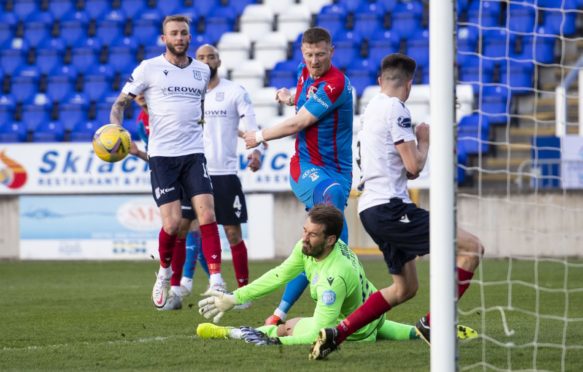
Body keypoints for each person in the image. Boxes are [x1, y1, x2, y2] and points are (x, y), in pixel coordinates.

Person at [309, 53, 485, 359]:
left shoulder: (372, 108)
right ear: (410, 84)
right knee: (471, 249)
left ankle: (337, 333)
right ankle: (434, 324)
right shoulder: (396, 109)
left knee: (404, 289)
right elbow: (413, 167)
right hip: (390, 208)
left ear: (380, 81)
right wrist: (425, 140)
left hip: (371, 209)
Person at [109, 15, 225, 310]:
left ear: (189, 37)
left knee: (207, 215)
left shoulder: (201, 71)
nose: (179, 37)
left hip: (194, 153)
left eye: (183, 33)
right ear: (165, 39)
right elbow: (120, 103)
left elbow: (198, 109)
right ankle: (164, 273)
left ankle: (216, 280)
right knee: (172, 224)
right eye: (173, 33)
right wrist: (116, 128)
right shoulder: (149, 68)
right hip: (162, 157)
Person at [243, 27, 354, 325]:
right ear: (302, 53)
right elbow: (305, 102)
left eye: (320, 54)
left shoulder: (335, 83)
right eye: (309, 55)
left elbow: (299, 122)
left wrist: (259, 135)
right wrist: (290, 97)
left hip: (340, 169)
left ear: (332, 50)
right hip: (306, 165)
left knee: (320, 241)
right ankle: (340, 288)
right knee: (333, 201)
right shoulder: (305, 73)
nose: (314, 60)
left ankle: (280, 313)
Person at [196, 205, 419, 346]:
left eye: (312, 234)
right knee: (396, 330)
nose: (304, 238)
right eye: (305, 231)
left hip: (356, 328)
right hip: (375, 316)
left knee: (288, 326)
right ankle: (426, 332)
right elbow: (279, 275)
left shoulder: (334, 278)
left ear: (330, 239)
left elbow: (319, 334)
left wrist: (277, 340)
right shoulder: (311, 247)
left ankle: (231, 333)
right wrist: (235, 298)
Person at [179, 44, 263, 296]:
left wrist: (255, 151)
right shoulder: (188, 94)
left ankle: (244, 291)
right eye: (201, 57)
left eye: (211, 57)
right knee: (189, 228)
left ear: (219, 60)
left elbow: (250, 123)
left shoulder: (234, 91)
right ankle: (184, 283)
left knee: (233, 233)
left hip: (224, 172)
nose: (206, 61)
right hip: (193, 171)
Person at [130, 96, 209, 310]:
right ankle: (180, 287)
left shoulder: (170, 110)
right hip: (167, 173)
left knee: (193, 225)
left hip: (191, 166)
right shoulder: (141, 122)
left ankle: (190, 284)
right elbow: (154, 155)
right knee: (184, 227)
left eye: (144, 92)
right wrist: (138, 153)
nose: (140, 97)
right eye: (137, 95)